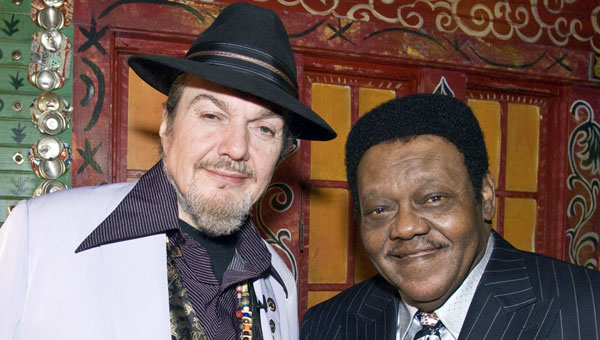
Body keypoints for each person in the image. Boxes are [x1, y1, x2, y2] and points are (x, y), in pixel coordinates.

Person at [0, 3, 336, 340]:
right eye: (211, 116)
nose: (237, 148)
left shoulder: (279, 279)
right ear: (167, 125)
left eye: (264, 129)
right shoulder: (41, 234)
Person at [300, 94, 600, 340]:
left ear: (484, 196)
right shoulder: (328, 326)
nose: (405, 227)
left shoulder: (586, 308)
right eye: (379, 210)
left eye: (434, 199)